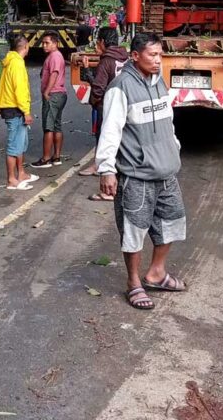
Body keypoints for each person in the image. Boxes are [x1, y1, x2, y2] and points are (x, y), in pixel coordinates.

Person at [97, 32, 186, 311]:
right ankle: (133, 282)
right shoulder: (120, 88)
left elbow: (168, 121)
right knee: (133, 229)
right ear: (135, 56)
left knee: (172, 222)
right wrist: (107, 169)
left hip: (166, 172)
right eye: (152, 55)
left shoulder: (159, 82)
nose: (158, 60)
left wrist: (174, 147)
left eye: (160, 55)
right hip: (137, 174)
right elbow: (110, 130)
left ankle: (156, 273)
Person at [78, 27, 129, 201]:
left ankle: (108, 191)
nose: (96, 45)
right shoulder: (125, 58)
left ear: (102, 42)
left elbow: (98, 88)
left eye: (98, 41)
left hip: (106, 107)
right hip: (123, 106)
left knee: (104, 141)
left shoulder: (106, 61)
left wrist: (87, 71)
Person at [0, 34, 38, 190]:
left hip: (11, 107)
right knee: (14, 145)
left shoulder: (11, 60)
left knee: (20, 143)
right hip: (15, 109)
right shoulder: (17, 64)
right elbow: (19, 90)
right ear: (26, 46)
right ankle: (11, 179)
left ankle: (21, 174)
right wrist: (26, 111)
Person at [31, 31, 68, 169]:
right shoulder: (55, 56)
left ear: (55, 43)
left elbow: (54, 74)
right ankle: (56, 156)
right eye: (43, 43)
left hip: (53, 94)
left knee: (48, 127)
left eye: (47, 43)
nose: (44, 45)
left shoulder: (55, 56)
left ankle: (46, 158)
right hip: (59, 94)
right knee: (56, 126)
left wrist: (47, 91)